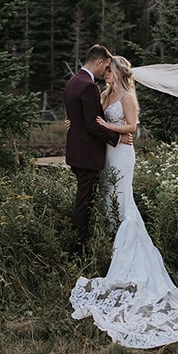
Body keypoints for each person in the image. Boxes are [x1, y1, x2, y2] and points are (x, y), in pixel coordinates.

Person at [69, 55, 178, 349]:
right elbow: (93, 120)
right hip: (107, 153)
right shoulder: (106, 95)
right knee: (108, 202)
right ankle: (111, 246)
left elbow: (131, 127)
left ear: (119, 72)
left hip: (122, 154)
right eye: (105, 71)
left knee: (122, 201)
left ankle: (129, 256)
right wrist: (79, 123)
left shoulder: (128, 95)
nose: (105, 75)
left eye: (109, 72)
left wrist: (112, 130)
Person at [64, 45, 130, 251]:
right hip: (87, 155)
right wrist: (117, 139)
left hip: (76, 153)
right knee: (83, 202)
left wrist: (73, 122)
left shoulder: (73, 81)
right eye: (106, 67)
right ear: (99, 62)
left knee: (84, 199)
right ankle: (78, 246)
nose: (106, 72)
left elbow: (78, 117)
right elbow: (93, 124)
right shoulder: (89, 87)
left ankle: (82, 240)